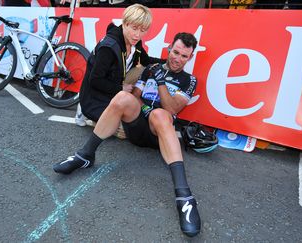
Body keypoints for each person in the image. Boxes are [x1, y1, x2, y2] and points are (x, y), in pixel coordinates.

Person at [53, 32, 201, 237]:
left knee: (160, 114)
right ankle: (85, 155)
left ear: (190, 58)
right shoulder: (151, 69)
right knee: (123, 97)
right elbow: (135, 97)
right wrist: (145, 107)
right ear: (169, 48)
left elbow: (172, 109)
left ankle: (184, 197)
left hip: (157, 134)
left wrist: (160, 84)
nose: (177, 59)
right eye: (175, 52)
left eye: (184, 56)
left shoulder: (189, 80)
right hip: (137, 123)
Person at [76, 3, 164, 126]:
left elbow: (146, 61)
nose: (138, 34)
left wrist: (168, 62)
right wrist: (121, 89)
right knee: (121, 128)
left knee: (144, 69)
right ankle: (83, 110)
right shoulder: (108, 48)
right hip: (95, 93)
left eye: (142, 30)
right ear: (125, 23)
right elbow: (95, 80)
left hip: (116, 82)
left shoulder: (135, 41)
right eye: (134, 28)